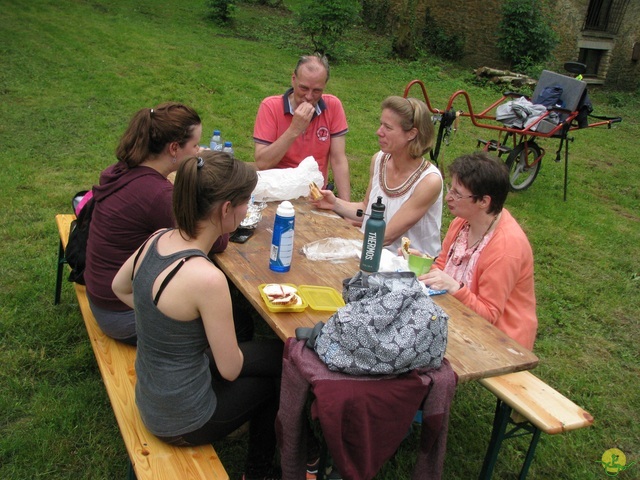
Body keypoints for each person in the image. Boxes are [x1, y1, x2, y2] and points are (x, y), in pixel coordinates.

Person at [112, 151, 283, 480]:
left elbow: (119, 287)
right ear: (225, 209)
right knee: (274, 382)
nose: (248, 209)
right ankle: (259, 472)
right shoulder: (207, 278)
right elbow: (230, 369)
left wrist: (160, 321)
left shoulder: (156, 239)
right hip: (181, 419)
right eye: (246, 202)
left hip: (153, 392)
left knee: (278, 354)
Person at [84, 102, 228, 345]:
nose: (199, 152)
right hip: (122, 313)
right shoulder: (157, 195)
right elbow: (216, 240)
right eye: (195, 146)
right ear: (174, 148)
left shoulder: (125, 169)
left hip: (103, 294)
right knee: (231, 323)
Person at [419, 152, 537, 350]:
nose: (448, 197)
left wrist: (455, 288)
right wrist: (420, 262)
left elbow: (489, 315)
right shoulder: (463, 222)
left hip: (501, 341)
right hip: (461, 318)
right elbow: (442, 267)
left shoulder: (506, 248)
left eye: (457, 193)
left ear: (484, 201)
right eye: (451, 188)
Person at [311, 96, 443, 257]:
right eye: (381, 124)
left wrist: (340, 245)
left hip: (410, 269)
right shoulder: (379, 160)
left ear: (411, 134)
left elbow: (386, 236)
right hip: (371, 253)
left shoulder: (429, 181)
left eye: (388, 127)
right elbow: (367, 209)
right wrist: (334, 204)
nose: (379, 132)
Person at [253, 54, 351, 201]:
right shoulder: (270, 107)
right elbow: (262, 163)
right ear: (293, 79)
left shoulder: (333, 106)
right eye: (304, 88)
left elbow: (338, 160)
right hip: (276, 194)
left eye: (317, 90)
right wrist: (294, 129)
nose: (309, 96)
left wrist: (345, 206)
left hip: (315, 196)